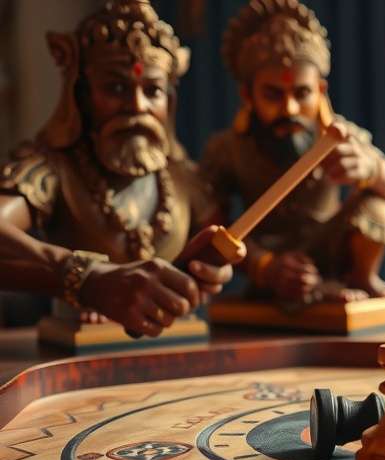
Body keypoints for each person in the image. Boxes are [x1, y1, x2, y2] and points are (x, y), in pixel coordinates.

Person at [0, 0, 242, 337]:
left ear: (169, 102)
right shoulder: (52, 168)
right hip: (76, 348)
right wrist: (85, 278)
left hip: (177, 344)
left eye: (152, 90)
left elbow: (222, 242)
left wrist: (213, 270)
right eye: (115, 88)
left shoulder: (184, 177)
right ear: (82, 96)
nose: (137, 106)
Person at [201, 0, 385, 304]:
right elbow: (211, 229)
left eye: (301, 93)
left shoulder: (339, 135)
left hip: (330, 249)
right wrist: (266, 266)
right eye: (273, 94)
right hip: (268, 259)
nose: (289, 109)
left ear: (320, 91)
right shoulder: (226, 149)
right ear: (247, 95)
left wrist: (373, 169)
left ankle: (362, 278)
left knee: (380, 207)